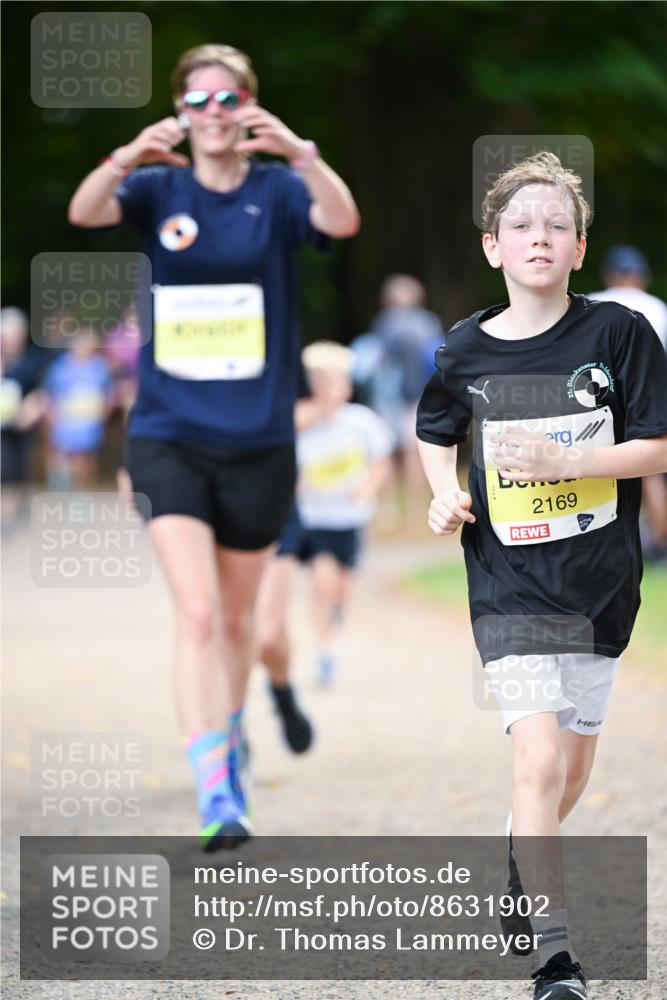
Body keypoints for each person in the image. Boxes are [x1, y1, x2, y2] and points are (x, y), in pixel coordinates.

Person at [68, 43, 359, 851]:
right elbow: (86, 211)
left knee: (236, 621)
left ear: (249, 107)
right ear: (181, 112)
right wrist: (130, 153)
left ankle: (229, 738)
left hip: (259, 440)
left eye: (228, 99)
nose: (214, 114)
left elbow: (341, 219)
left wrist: (300, 153)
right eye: (198, 101)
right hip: (168, 436)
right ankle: (213, 786)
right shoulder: (158, 187)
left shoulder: (277, 187)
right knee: (196, 614)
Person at [416, 152, 667, 1000]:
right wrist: (442, 495)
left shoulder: (617, 334)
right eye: (521, 225)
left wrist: (575, 453)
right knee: (535, 760)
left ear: (579, 247)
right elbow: (432, 429)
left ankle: (519, 851)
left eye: (556, 225)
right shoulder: (461, 348)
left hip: (600, 579)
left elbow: (659, 446)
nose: (539, 237)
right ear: (493, 247)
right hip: (506, 585)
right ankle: (554, 960)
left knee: (571, 773)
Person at [257, 341, 393, 705]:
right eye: (320, 381)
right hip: (314, 519)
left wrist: (367, 488)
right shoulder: (298, 420)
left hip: (350, 519)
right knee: (322, 580)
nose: (329, 389)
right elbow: (279, 443)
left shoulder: (361, 422)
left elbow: (381, 461)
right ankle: (325, 650)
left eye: (336, 381)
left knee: (342, 589)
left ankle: (332, 627)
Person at [589, 246, 667, 558]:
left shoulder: (593, 302)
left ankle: (611, 542)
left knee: (601, 469)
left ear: (609, 275)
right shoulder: (656, 306)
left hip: (600, 398)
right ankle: (660, 543)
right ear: (641, 277)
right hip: (646, 395)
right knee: (649, 469)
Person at [43, 326, 113, 490]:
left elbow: (109, 394)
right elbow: (50, 394)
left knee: (86, 459)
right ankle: (63, 492)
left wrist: (103, 414)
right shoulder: (60, 366)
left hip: (90, 422)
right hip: (65, 421)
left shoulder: (100, 367)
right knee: (64, 458)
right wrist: (52, 415)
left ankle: (84, 492)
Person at [1, 307, 45, 527]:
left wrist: (30, 410)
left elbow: (44, 392)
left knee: (17, 471)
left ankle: (13, 518)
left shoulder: (33, 361)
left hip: (23, 426)